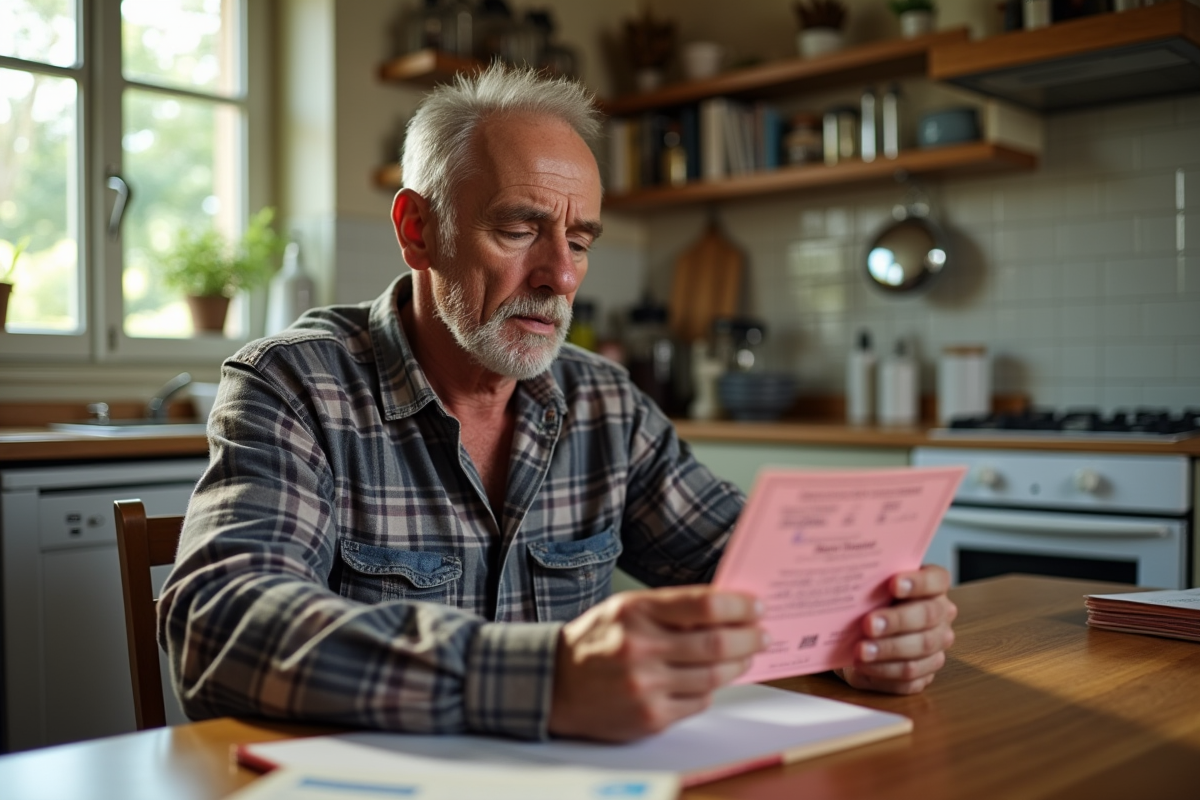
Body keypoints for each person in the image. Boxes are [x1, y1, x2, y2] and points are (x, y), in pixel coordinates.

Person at [158, 63, 956, 743]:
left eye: (579, 242)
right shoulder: (294, 385)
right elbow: (218, 627)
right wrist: (544, 678)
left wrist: (870, 626)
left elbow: (757, 576)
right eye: (519, 229)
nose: (562, 277)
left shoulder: (603, 402)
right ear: (418, 231)